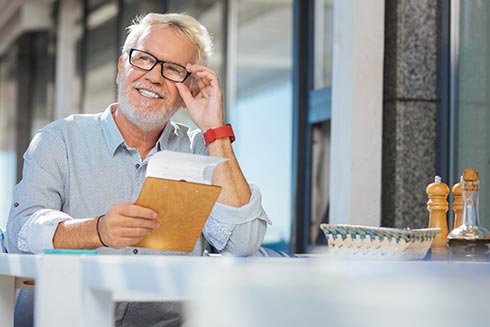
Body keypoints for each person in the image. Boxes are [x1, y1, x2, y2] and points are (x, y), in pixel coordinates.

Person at [6, 12, 270, 326]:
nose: (154, 77)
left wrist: (215, 130)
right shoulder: (59, 140)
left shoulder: (203, 149)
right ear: (121, 69)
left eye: (172, 69)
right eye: (144, 59)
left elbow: (243, 242)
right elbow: (20, 233)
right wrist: (98, 230)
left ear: (189, 90)